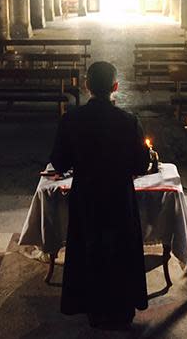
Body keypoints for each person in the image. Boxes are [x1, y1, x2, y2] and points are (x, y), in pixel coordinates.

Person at [50, 61, 150, 329]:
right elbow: (141, 166)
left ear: (86, 86)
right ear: (116, 87)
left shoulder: (71, 119)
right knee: (120, 249)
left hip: (87, 196)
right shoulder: (129, 122)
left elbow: (58, 163)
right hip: (119, 197)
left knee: (89, 248)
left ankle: (93, 308)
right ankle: (121, 307)